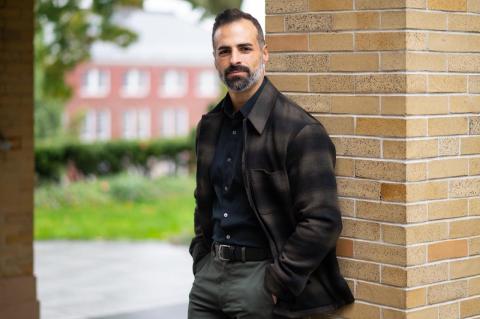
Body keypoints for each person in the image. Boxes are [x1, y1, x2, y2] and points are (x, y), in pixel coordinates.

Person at [187, 8, 354, 319]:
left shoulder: (299, 130)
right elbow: (204, 202)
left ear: (264, 54)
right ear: (215, 60)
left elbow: (323, 222)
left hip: (261, 282)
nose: (234, 58)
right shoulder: (209, 127)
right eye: (224, 51)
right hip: (209, 280)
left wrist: (277, 282)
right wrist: (201, 260)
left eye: (244, 48)